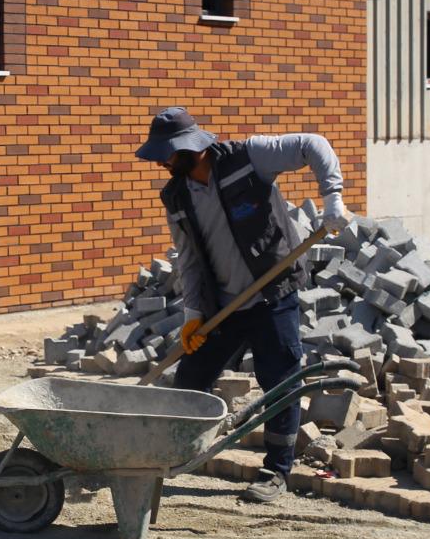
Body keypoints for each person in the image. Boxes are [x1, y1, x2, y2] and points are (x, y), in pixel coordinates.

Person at [136, 106, 352, 503]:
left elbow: (313, 144)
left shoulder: (247, 157)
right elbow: (188, 259)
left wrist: (332, 197)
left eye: (168, 153)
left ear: (192, 147)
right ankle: (173, 456)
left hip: (273, 295)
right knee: (189, 382)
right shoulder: (176, 195)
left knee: (280, 383)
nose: (162, 162)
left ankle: (276, 472)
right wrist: (193, 315)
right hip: (223, 307)